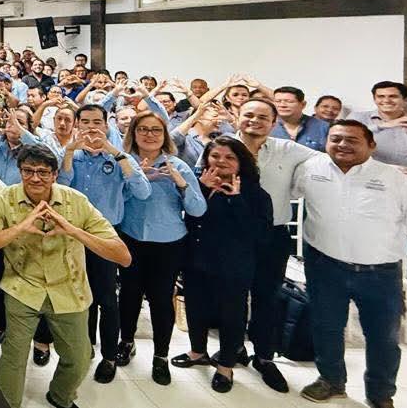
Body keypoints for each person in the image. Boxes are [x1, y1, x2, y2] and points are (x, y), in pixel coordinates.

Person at [0, 145, 132, 408]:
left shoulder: (76, 201)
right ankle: (7, 404)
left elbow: (122, 256)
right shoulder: (5, 199)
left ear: (55, 174)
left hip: (69, 289)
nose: (35, 178)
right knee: (13, 356)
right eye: (28, 171)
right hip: (22, 287)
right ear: (20, 172)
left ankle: (60, 396)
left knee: (80, 358)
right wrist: (21, 227)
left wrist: (72, 230)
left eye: (43, 172)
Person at [291, 120, 407, 408]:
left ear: (371, 145)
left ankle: (381, 394)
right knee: (326, 328)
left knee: (382, 338)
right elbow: (286, 191)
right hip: (324, 267)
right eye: (336, 139)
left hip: (380, 274)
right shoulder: (310, 169)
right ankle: (331, 380)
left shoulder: (395, 179)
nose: (342, 145)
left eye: (351, 140)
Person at [56, 104, 151, 384]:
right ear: (77, 125)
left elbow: (142, 191)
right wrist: (69, 152)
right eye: (85, 121)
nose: (91, 127)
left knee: (107, 299)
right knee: (80, 296)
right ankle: (84, 348)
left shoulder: (120, 155)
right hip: (73, 234)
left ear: (106, 124)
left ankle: (109, 356)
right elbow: (61, 187)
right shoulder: (70, 153)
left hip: (106, 234)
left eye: (97, 121)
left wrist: (115, 153)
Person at [172, 136, 273, 393]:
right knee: (195, 308)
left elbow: (260, 235)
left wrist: (235, 199)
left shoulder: (256, 193)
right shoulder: (199, 186)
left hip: (234, 266)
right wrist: (201, 191)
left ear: (241, 162)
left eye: (230, 157)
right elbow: (191, 220)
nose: (221, 162)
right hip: (197, 261)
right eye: (215, 156)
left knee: (232, 314)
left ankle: (226, 366)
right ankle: (197, 352)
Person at [231, 98, 316, 392]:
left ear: (273, 122)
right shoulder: (223, 146)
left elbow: (326, 159)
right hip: (232, 236)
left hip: (273, 235)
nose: (254, 121)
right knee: (232, 296)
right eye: (248, 115)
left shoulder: (288, 149)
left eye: (262, 117)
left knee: (267, 297)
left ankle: (264, 356)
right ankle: (233, 348)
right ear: (237, 116)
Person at [117, 112, 206, 385]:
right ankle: (126, 342)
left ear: (165, 135)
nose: (149, 135)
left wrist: (180, 183)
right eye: (142, 129)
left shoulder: (177, 165)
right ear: (133, 134)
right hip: (130, 239)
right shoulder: (124, 163)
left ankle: (160, 356)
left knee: (161, 300)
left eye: (156, 130)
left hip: (168, 243)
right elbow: (114, 200)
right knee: (129, 296)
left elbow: (198, 209)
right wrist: (136, 179)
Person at [348, 81, 407, 177]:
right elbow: (345, 138)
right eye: (381, 96)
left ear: (405, 100)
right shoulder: (357, 118)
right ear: (375, 99)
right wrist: (382, 126)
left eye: (393, 96)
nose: (387, 100)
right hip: (369, 179)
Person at [270, 86, 330, 151]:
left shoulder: (323, 127)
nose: (282, 105)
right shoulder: (267, 126)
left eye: (289, 101)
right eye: (278, 101)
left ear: (303, 104)